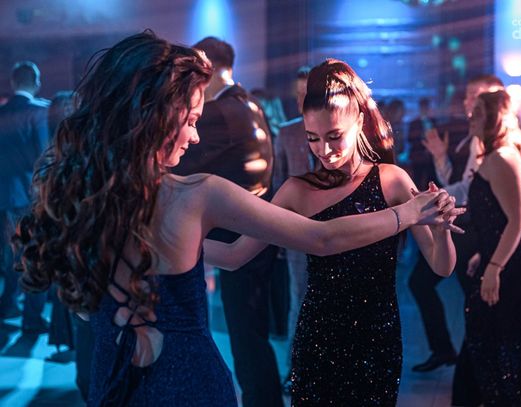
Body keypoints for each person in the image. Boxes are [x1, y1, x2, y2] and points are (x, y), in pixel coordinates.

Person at [12, 33, 462, 406]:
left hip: (114, 373)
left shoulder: (89, 205)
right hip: (197, 376)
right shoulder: (199, 193)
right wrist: (408, 213)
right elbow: (317, 240)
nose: (195, 135)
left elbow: (86, 306)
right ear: (156, 117)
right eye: (191, 119)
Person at [203, 59, 463, 405]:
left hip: (377, 341)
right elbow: (235, 255)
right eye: (313, 138)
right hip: (318, 341)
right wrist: (172, 239)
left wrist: (442, 229)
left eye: (334, 136)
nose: (324, 150)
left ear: (359, 121)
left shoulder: (392, 181)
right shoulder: (297, 191)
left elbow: (442, 267)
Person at [172, 36, 282, 407]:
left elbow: (178, 164)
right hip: (254, 226)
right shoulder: (249, 102)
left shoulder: (220, 111)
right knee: (250, 333)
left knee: (245, 337)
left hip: (239, 235)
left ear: (208, 65)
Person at [409, 75, 505, 374]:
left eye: (474, 95)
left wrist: (431, 198)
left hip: (474, 230)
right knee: (464, 297)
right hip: (468, 225)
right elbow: (462, 184)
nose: (467, 102)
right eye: (466, 95)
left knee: (474, 300)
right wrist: (440, 158)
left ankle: (469, 362)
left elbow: (471, 191)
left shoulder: (493, 140)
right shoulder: (472, 135)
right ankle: (457, 356)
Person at [459, 90, 521, 406]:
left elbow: (519, 220)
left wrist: (494, 267)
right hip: (508, 258)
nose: (471, 116)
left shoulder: (502, 158)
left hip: (514, 266)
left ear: (495, 118)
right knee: (492, 346)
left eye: (479, 111)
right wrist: (486, 253)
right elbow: (501, 217)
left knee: (504, 350)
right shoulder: (496, 157)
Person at [272, 65, 315, 394]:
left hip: (335, 227)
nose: (301, 101)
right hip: (296, 230)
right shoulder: (287, 133)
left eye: (307, 94)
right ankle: (296, 369)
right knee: (299, 298)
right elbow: (277, 184)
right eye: (298, 95)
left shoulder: (339, 132)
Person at [0, 61, 50, 333]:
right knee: (34, 255)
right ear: (37, 82)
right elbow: (43, 156)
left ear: (12, 82)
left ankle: (7, 305)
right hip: (28, 197)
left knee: (9, 254)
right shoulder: (38, 112)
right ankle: (32, 318)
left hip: (3, 197)